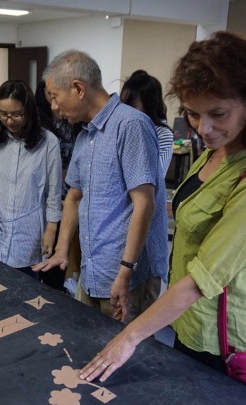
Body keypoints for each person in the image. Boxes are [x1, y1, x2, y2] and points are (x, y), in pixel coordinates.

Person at [78, 31, 246, 382]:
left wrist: (129, 337)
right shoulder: (222, 144)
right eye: (193, 115)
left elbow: (203, 277)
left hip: (229, 339)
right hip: (190, 321)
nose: (204, 129)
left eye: (218, 114)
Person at [33, 50, 169, 324]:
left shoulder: (130, 125)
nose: (54, 108)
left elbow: (145, 204)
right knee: (89, 348)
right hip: (93, 271)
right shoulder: (86, 135)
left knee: (125, 359)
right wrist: (61, 251)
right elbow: (73, 197)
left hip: (126, 277)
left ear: (78, 89)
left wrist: (125, 270)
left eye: (55, 98)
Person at [0, 80, 62, 278]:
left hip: (28, 233)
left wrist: (51, 229)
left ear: (29, 111)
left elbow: (54, 193)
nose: (9, 120)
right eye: (3, 114)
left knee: (23, 293)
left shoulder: (48, 143)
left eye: (16, 114)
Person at [34, 79, 82, 291]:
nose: (53, 100)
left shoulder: (74, 121)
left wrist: (68, 194)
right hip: (42, 194)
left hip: (69, 192)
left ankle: (54, 289)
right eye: (49, 93)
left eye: (56, 94)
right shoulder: (37, 121)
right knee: (39, 248)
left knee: (57, 251)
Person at [120, 70, 174, 174]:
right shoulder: (120, 127)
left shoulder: (162, 134)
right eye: (122, 104)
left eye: (132, 106)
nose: (124, 110)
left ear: (148, 106)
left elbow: (154, 177)